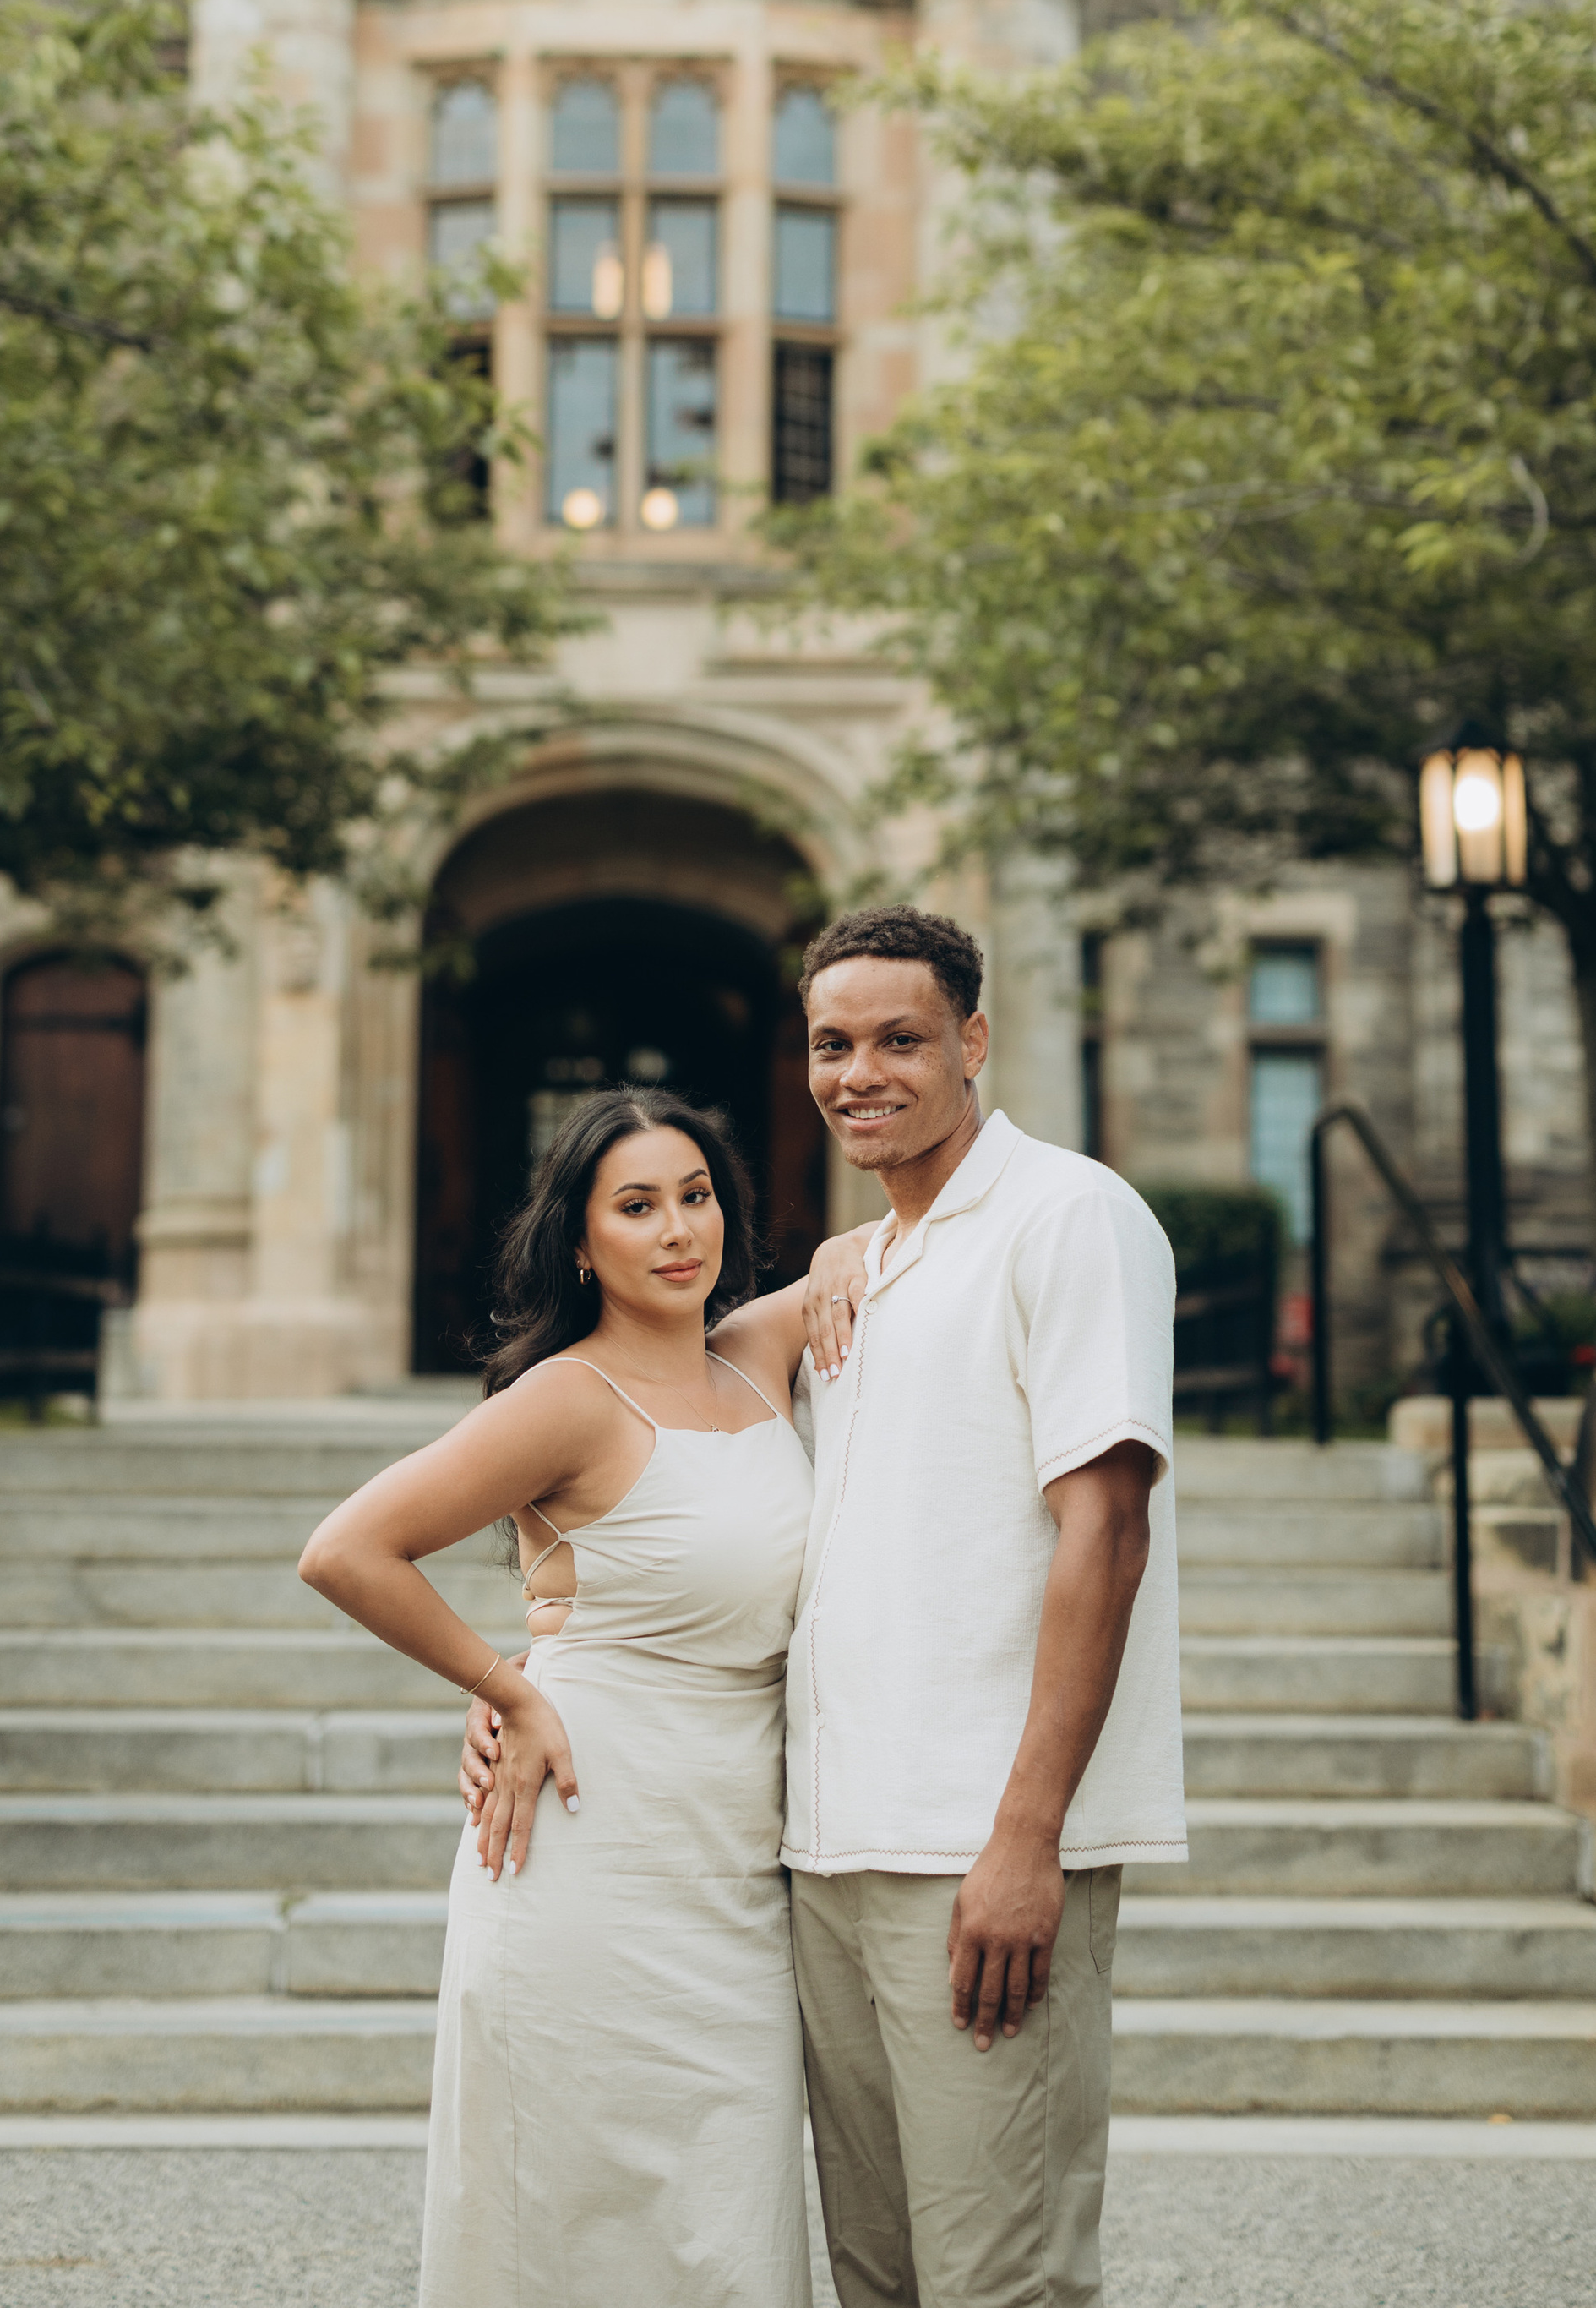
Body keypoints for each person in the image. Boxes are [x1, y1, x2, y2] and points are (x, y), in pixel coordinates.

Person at [466, 903, 1183, 2308]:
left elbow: (1105, 1526)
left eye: (902, 1040)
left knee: (1002, 2279)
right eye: (833, 1044)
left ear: (975, 1041)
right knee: (880, 2280)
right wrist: (535, 1670)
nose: (862, 1073)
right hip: (827, 1850)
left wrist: (1029, 1837)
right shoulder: (864, 1270)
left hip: (980, 1850)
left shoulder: (1071, 1216)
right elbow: (656, 1487)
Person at [297, 1085, 826, 2308]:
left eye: (696, 1197)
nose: (678, 1230)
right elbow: (346, 1549)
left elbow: (894, 1245)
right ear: (581, 1245)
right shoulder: (568, 1399)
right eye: (636, 1207)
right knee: (570, 2212)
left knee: (730, 2215)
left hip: (736, 1865)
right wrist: (506, 1687)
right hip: (584, 1847)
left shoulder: (755, 1360)